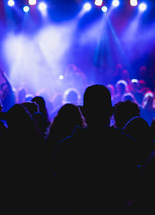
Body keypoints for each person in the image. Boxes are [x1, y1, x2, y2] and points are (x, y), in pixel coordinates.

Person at [53, 84, 138, 214]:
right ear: (111, 110)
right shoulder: (127, 145)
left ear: (83, 111)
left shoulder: (66, 147)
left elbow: (60, 196)